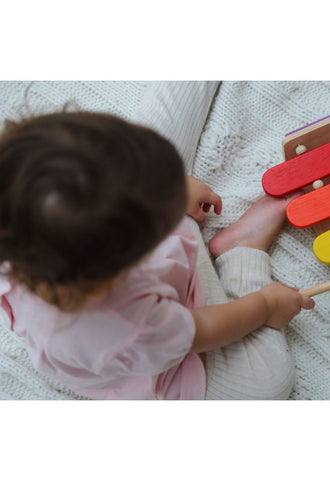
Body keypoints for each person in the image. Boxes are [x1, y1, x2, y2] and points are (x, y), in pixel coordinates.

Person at [0, 110, 314, 400]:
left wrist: (174, 191)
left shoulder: (20, 223)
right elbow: (202, 329)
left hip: (137, 284)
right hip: (171, 355)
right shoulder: (126, 323)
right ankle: (241, 253)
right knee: (269, 384)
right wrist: (265, 305)